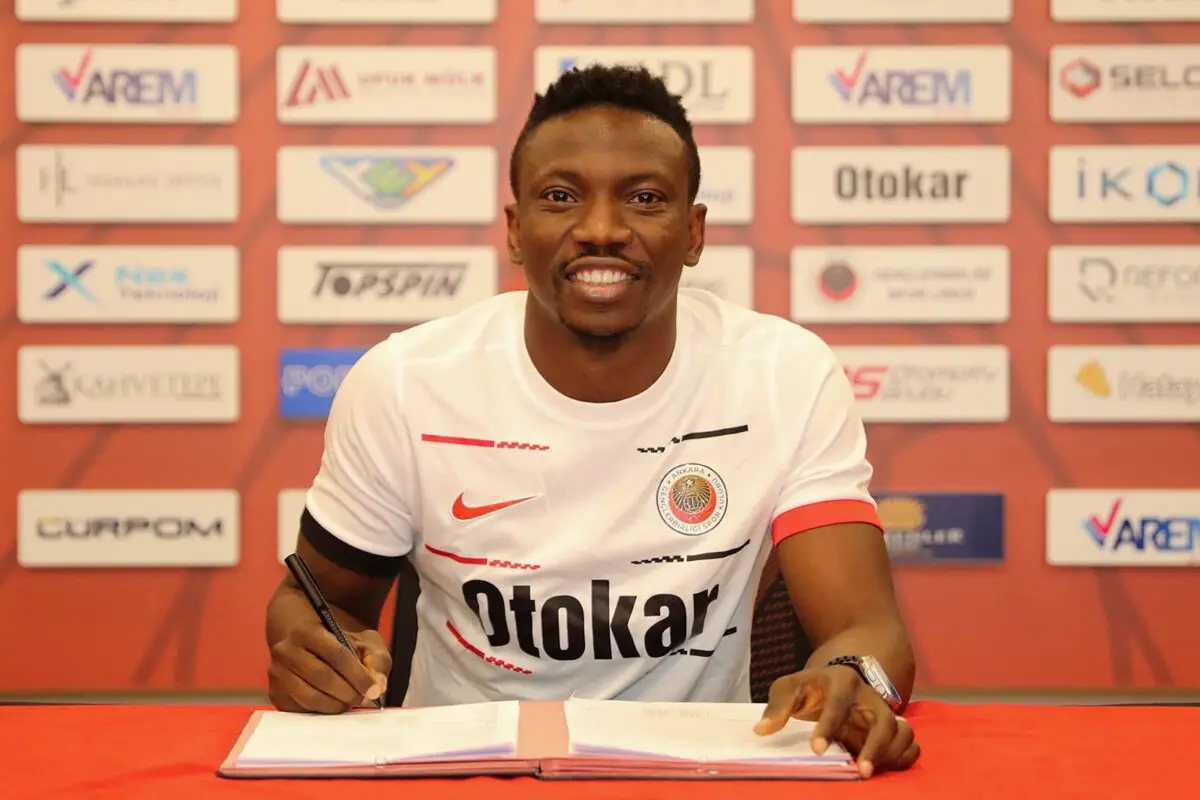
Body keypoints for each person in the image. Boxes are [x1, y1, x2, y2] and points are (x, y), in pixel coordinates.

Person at [266, 63, 920, 779]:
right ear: (516, 231)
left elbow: (865, 625)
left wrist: (854, 675)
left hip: (698, 775)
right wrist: (312, 654)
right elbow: (316, 603)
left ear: (693, 232)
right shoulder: (403, 382)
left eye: (644, 198)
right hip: (461, 773)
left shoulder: (784, 374)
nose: (602, 230)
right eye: (560, 196)